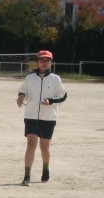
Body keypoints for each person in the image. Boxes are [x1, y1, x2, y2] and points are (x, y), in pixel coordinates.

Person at [16, 50, 67, 186]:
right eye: (42, 60)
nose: (44, 63)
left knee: (44, 147)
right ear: (37, 61)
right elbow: (23, 90)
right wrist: (21, 96)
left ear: (51, 62)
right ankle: (27, 176)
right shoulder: (30, 77)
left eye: (47, 60)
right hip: (31, 116)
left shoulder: (56, 79)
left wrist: (51, 101)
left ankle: (46, 168)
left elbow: (63, 96)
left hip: (48, 118)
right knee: (31, 144)